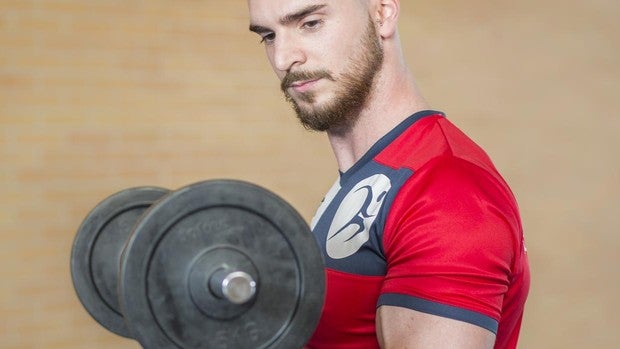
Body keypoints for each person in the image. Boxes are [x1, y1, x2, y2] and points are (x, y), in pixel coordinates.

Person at [247, 0, 530, 348]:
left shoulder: (447, 193)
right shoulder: (371, 175)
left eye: (310, 23)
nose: (283, 59)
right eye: (269, 36)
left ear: (382, 12)